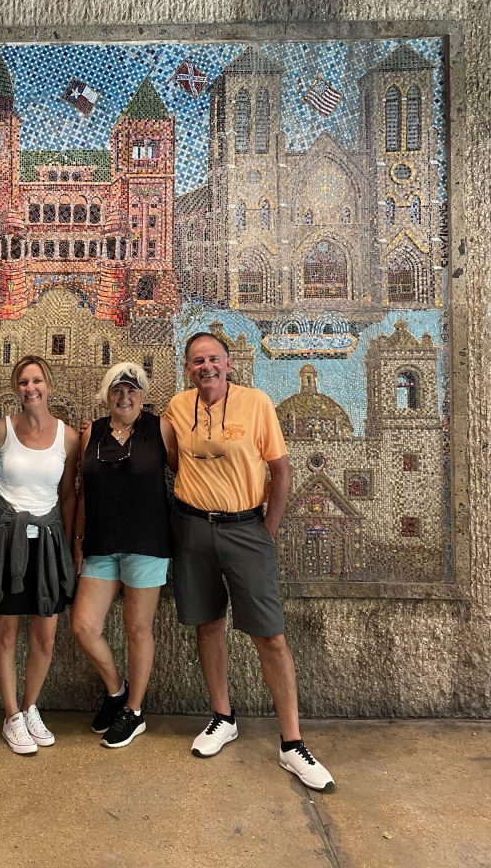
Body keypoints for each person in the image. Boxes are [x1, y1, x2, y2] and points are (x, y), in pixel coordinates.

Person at [163, 332, 334, 792]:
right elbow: (177, 462)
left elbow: (281, 470)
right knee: (208, 623)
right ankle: (222, 716)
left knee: (270, 635)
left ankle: (292, 743)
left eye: (213, 359)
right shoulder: (177, 409)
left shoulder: (256, 403)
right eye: (197, 361)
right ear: (188, 367)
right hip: (194, 527)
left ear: (228, 362)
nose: (206, 367)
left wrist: (267, 531)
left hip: (246, 529)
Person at [0, 356, 78, 755]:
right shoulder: (1, 429)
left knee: (45, 635)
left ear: (48, 386)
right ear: (16, 388)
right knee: (5, 633)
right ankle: (11, 715)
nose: (30, 388)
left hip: (47, 544)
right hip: (5, 539)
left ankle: (31, 705)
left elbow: (68, 495)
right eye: (22, 381)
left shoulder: (68, 438)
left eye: (36, 381)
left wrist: (70, 546)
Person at [71, 363, 177, 749]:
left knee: (137, 628)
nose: (125, 396)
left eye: (132, 389)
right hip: (101, 543)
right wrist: (78, 540)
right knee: (83, 626)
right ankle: (116, 690)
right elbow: (82, 490)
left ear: (143, 394)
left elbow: (184, 474)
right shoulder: (91, 434)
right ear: (107, 394)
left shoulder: (160, 428)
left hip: (147, 543)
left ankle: (133, 711)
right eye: (117, 390)